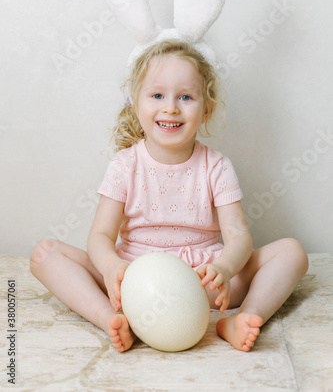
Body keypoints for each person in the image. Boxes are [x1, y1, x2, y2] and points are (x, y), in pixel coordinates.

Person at [30, 39, 309, 353]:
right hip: (135, 279)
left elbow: (238, 235)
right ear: (135, 104)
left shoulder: (216, 166)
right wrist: (110, 267)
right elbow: (100, 236)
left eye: (186, 96)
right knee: (45, 253)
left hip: (202, 283)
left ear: (207, 108)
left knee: (292, 251)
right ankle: (111, 318)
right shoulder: (124, 165)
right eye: (157, 94)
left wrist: (225, 268)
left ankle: (242, 318)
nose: (171, 107)